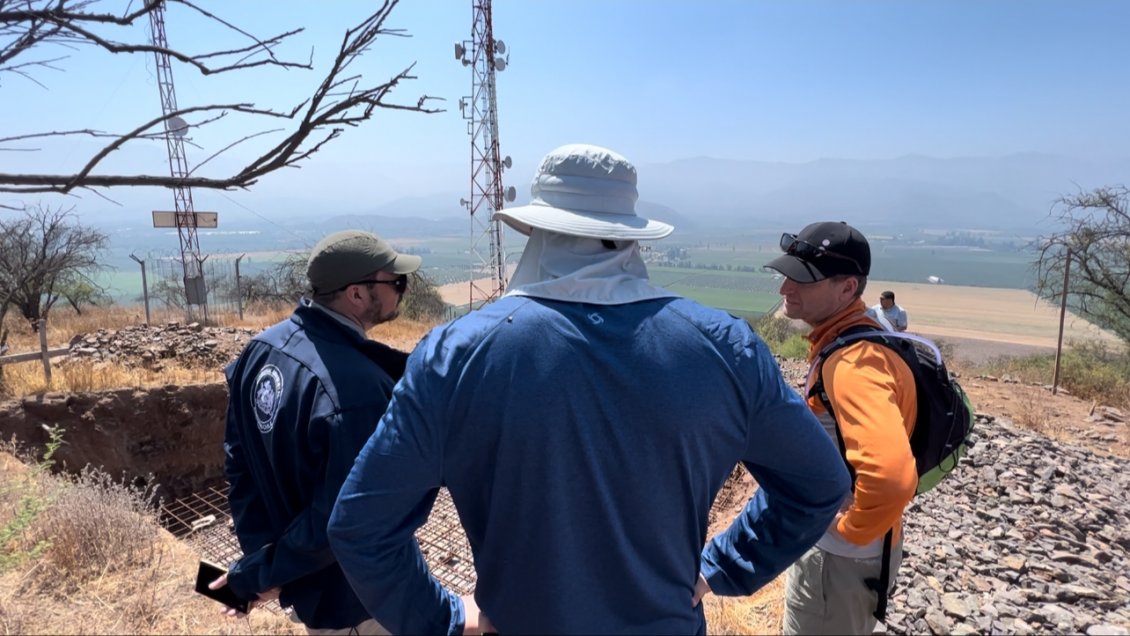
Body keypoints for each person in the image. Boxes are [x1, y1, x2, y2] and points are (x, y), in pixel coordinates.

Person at [327, 144, 851, 635]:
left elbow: (360, 527)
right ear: (631, 236)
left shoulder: (456, 357)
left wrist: (439, 615)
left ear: (539, 231)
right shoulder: (725, 349)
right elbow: (820, 484)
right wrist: (721, 567)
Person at [210, 229, 420, 635]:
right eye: (396, 282)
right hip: (356, 600)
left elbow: (240, 464)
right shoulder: (355, 392)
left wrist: (264, 559)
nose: (401, 291)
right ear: (357, 294)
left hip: (313, 588)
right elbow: (347, 519)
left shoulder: (261, 350)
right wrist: (263, 573)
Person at [764, 221, 918, 635]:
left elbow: (892, 479)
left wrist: (847, 531)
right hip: (853, 562)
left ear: (848, 288)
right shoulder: (861, 341)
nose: (785, 289)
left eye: (802, 279)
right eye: (786, 274)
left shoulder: (854, 364)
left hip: (837, 563)